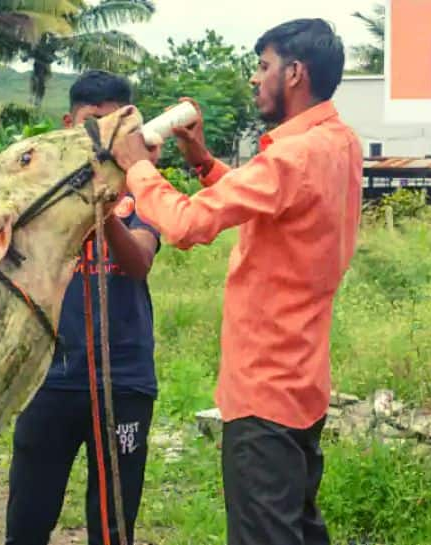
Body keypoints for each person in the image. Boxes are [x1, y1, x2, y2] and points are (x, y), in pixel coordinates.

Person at [109, 19, 362, 545]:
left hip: (264, 395)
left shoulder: (293, 155)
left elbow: (184, 225)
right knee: (296, 528)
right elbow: (274, 201)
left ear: (295, 74)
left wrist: (137, 169)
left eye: (263, 66)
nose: (255, 79)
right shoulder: (337, 142)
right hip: (300, 385)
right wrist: (201, 161)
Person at [4, 70, 161, 545]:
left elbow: (138, 263)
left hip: (122, 380)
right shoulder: (34, 193)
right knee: (27, 521)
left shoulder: (143, 189)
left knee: (112, 527)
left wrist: (106, 210)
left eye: (114, 124)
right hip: (46, 378)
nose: (102, 137)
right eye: (93, 123)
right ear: (69, 122)